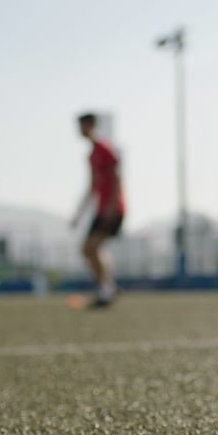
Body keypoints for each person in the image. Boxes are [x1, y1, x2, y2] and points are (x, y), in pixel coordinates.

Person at [71, 112, 126, 307]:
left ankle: (107, 290)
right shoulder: (92, 155)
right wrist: (79, 213)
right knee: (89, 250)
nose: (79, 130)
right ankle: (108, 287)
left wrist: (112, 206)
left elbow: (117, 176)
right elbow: (92, 186)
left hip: (112, 208)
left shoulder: (104, 149)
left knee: (91, 247)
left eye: (81, 126)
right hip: (102, 209)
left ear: (91, 125)